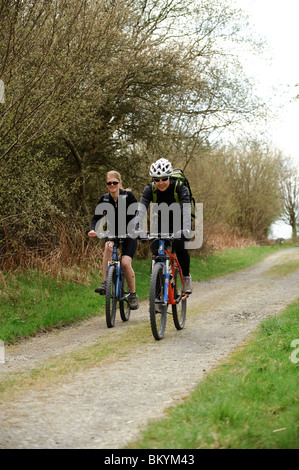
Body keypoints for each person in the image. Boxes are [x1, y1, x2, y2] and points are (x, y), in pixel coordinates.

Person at [137, 158, 193, 293]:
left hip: (180, 222)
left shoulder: (179, 187)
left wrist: (185, 228)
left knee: (180, 247)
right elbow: (141, 209)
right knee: (155, 252)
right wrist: (137, 227)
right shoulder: (149, 189)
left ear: (169, 177)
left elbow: (186, 208)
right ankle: (156, 294)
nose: (160, 183)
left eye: (164, 179)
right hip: (161, 222)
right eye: (157, 179)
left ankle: (186, 277)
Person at [88, 170, 139, 310]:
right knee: (108, 247)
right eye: (109, 183)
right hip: (113, 233)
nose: (112, 185)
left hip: (129, 234)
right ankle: (106, 282)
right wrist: (93, 229)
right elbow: (95, 218)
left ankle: (133, 294)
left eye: (114, 183)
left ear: (120, 183)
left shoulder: (128, 196)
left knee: (125, 263)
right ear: (106, 185)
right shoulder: (104, 199)